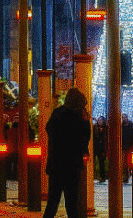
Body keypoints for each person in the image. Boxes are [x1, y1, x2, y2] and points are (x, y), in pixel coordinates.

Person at [43, 87, 91, 218]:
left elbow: (48, 129)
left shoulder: (57, 113)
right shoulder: (78, 117)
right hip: (72, 165)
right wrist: (86, 121)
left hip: (56, 165)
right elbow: (85, 137)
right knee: (72, 202)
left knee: (52, 201)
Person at [93, 116, 108, 183]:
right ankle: (95, 176)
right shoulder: (95, 128)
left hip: (102, 148)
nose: (100, 121)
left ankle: (102, 177)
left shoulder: (106, 129)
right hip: (95, 147)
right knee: (94, 163)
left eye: (101, 120)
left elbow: (106, 139)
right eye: (99, 120)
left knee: (102, 163)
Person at [121, 113, 133, 184]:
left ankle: (129, 175)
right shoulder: (121, 126)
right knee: (125, 163)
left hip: (130, 146)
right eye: (123, 118)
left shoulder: (132, 126)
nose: (124, 119)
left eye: (125, 117)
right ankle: (126, 177)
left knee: (130, 163)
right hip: (124, 147)